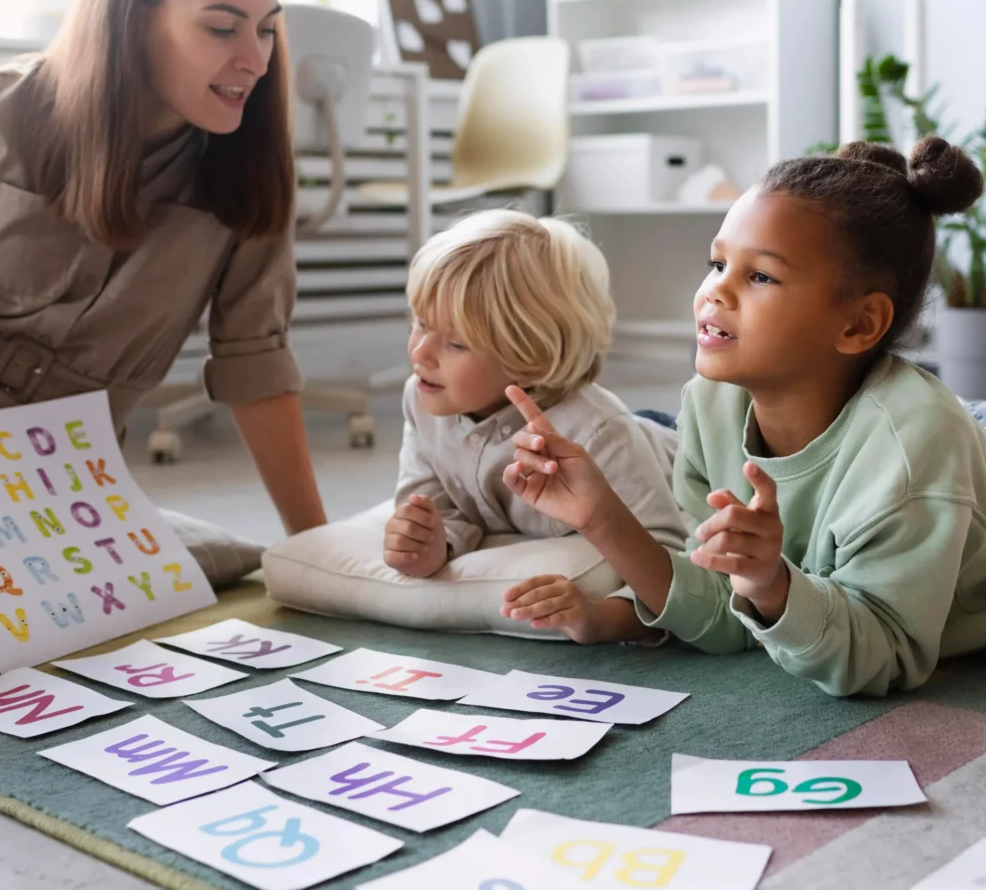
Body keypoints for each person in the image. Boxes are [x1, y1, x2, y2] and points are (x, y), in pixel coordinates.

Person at [502, 137, 986, 696]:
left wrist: (773, 584)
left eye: (760, 277)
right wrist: (599, 516)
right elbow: (719, 603)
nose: (715, 291)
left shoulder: (914, 449)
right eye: (718, 263)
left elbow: (885, 654)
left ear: (858, 325)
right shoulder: (709, 402)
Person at [0, 0, 326, 538]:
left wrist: (318, 548)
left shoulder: (247, 172)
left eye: (268, 30)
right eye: (222, 27)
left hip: (68, 502)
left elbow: (256, 363)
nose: (255, 60)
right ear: (129, 15)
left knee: (230, 568)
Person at [382, 208, 686, 645]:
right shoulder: (423, 395)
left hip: (666, 446)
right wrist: (431, 543)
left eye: (455, 342)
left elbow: (667, 561)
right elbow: (435, 501)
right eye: (420, 323)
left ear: (530, 359)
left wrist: (601, 619)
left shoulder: (600, 433)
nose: (420, 353)